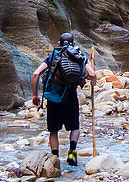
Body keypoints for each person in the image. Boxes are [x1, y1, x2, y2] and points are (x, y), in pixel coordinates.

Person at [31, 33, 95, 167]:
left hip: (54, 97)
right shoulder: (79, 56)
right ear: (73, 43)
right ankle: (72, 153)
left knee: (53, 130)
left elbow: (36, 73)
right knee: (75, 127)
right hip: (71, 96)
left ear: (59, 43)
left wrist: (35, 95)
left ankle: (55, 159)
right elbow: (92, 74)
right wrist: (93, 83)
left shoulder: (52, 56)